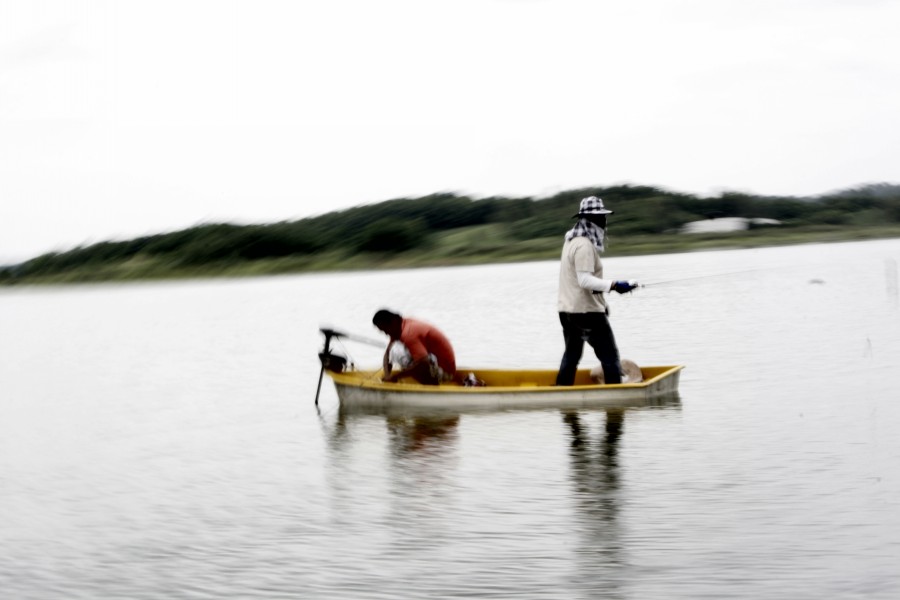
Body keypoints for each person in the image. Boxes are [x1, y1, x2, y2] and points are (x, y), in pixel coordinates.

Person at [555, 196, 638, 386]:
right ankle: (615, 395)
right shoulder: (584, 245)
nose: (603, 221)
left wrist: (603, 303)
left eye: (603, 217)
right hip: (586, 313)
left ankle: (562, 391)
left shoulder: (571, 241)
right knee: (610, 356)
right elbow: (585, 281)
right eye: (599, 218)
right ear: (588, 220)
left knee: (572, 355)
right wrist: (616, 286)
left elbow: (577, 283)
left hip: (567, 311)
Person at [372, 309, 457, 385]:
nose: (386, 334)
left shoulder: (409, 333)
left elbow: (423, 362)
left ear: (393, 322)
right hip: (436, 364)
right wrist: (387, 375)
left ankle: (430, 384)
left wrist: (396, 376)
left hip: (445, 373)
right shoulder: (399, 327)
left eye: (385, 330)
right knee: (395, 349)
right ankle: (426, 379)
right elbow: (388, 354)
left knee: (398, 352)